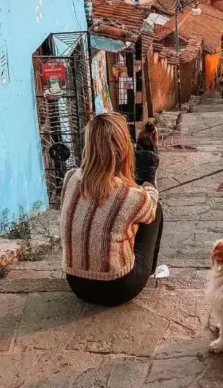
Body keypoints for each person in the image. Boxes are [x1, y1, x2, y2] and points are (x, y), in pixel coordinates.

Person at [60, 113, 164, 307]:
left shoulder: (70, 178)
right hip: (118, 288)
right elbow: (149, 206)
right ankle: (149, 270)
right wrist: (149, 181)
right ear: (123, 147)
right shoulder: (131, 196)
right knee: (155, 209)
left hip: (76, 283)